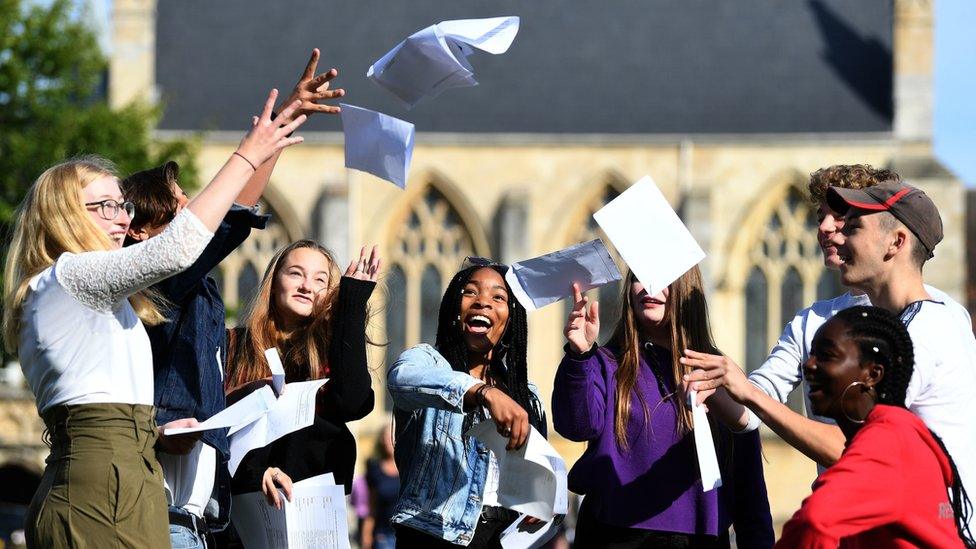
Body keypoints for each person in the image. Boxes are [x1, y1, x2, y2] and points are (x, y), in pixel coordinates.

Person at [1, 92, 307, 547]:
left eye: (122, 205)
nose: (121, 218)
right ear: (62, 215)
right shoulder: (66, 276)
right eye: (103, 206)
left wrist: (158, 431)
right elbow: (180, 248)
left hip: (128, 476)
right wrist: (250, 152)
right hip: (102, 488)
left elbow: (102, 395)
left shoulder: (103, 298)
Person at [120, 49, 344, 547]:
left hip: (203, 519)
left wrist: (281, 134)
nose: (191, 206)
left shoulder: (195, 285)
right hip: (164, 513)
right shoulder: (161, 283)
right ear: (141, 232)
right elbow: (227, 221)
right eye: (178, 203)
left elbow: (232, 217)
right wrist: (265, 140)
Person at [685, 180, 976, 518]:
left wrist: (751, 395)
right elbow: (749, 414)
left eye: (851, 227)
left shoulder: (929, 328)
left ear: (896, 243)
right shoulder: (897, 325)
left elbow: (854, 447)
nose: (835, 235)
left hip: (930, 531)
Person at [553, 269, 774, 548]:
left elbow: (749, 484)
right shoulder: (606, 362)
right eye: (638, 278)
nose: (649, 287)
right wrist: (579, 356)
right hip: (613, 536)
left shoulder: (720, 370)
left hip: (698, 538)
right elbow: (575, 426)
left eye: (663, 277)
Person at [777, 306, 975, 547]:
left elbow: (814, 522)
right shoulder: (889, 433)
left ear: (872, 374)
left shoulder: (887, 442)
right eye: (812, 353)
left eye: (826, 355)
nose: (809, 364)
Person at [387, 260, 547, 548]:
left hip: (501, 538)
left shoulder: (527, 396)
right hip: (432, 533)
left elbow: (537, 477)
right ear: (453, 309)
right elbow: (401, 381)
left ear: (510, 320)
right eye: (470, 292)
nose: (483, 302)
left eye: (498, 297)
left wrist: (540, 500)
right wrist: (481, 391)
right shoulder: (427, 361)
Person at [222, 241, 379, 504]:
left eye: (320, 280)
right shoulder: (233, 344)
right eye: (296, 273)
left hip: (310, 510)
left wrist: (351, 304)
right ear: (273, 283)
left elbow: (352, 401)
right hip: (241, 508)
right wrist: (255, 472)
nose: (307, 286)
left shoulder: (332, 354)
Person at [362, 425, 400, 549]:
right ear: (382, 440)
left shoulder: (410, 466)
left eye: (393, 436)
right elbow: (371, 506)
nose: (390, 440)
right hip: (384, 537)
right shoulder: (375, 469)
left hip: (408, 533)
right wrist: (366, 536)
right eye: (387, 436)